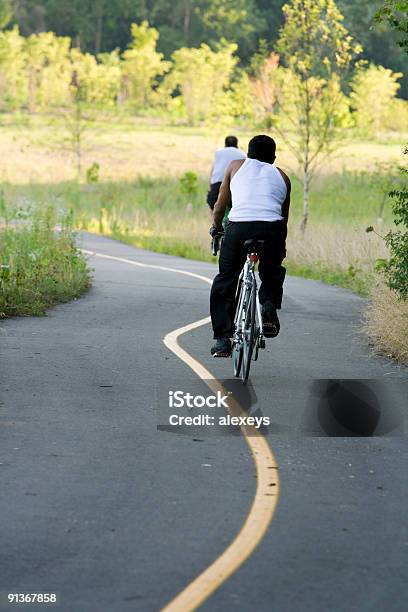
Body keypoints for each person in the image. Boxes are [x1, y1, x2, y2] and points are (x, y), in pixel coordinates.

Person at [209, 134, 291, 357]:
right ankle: (268, 305)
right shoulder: (282, 176)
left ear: (247, 153)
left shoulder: (235, 166)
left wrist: (216, 227)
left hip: (239, 228)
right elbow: (283, 218)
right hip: (272, 229)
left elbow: (219, 206)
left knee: (226, 278)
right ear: (274, 157)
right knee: (272, 271)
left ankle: (223, 340)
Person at [207, 136, 246, 219]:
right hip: (234, 184)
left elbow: (213, 169)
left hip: (217, 183)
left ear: (225, 144)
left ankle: (214, 227)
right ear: (237, 144)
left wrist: (210, 185)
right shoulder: (242, 154)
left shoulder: (218, 153)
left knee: (211, 205)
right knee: (234, 208)